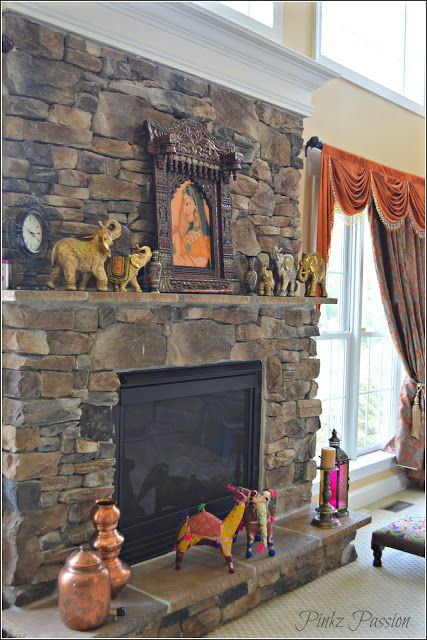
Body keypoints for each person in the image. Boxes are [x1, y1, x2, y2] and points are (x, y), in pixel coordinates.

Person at [172, 182, 212, 267]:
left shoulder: (207, 239)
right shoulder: (186, 235)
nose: (184, 211)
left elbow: (201, 264)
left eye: (187, 204)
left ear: (198, 206)